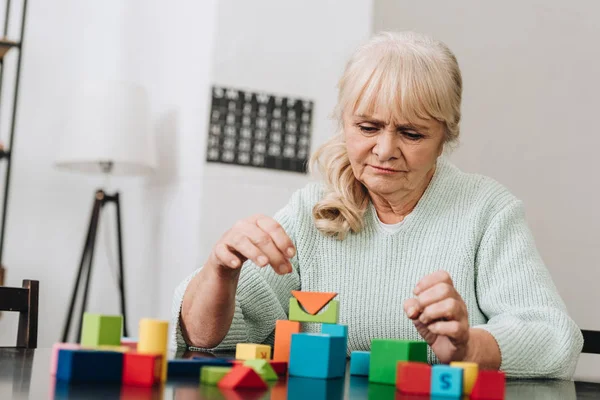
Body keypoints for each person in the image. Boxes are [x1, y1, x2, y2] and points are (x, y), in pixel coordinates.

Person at [171, 31, 582, 378]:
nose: (385, 150)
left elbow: (554, 337)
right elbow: (209, 339)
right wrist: (220, 272)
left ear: (446, 136)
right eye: (368, 127)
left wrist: (467, 348)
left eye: (412, 133)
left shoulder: (487, 210)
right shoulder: (311, 210)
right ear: (344, 122)